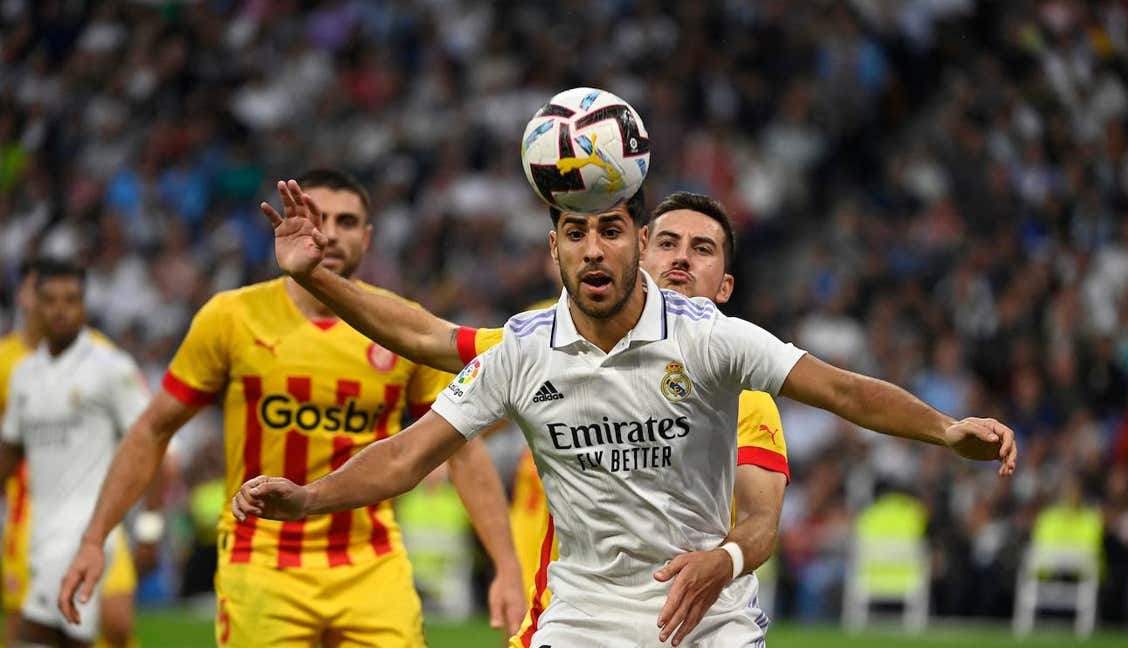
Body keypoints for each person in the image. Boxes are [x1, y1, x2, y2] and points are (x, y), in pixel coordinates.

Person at [245, 178, 1014, 647]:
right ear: (562, 249)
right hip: (581, 613)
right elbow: (415, 397)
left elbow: (840, 398)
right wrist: (311, 495)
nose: (678, 259)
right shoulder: (526, 346)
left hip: (707, 615)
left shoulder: (724, 353)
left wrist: (946, 430)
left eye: (700, 249)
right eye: (576, 232)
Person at [58, 169, 525, 647]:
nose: (333, 233)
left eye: (348, 222)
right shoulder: (232, 317)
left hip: (370, 560)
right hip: (261, 558)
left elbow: (460, 448)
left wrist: (506, 565)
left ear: (366, 238)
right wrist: (96, 538)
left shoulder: (404, 327)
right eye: (318, 217)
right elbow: (153, 429)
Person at [0, 260, 148, 647]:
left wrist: (150, 526)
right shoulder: (19, 371)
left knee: (107, 625)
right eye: (49, 299)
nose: (60, 309)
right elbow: (10, 450)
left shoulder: (109, 365)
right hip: (32, 524)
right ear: (32, 302)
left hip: (94, 528)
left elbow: (151, 440)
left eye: (71, 299)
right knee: (39, 630)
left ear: (84, 303)